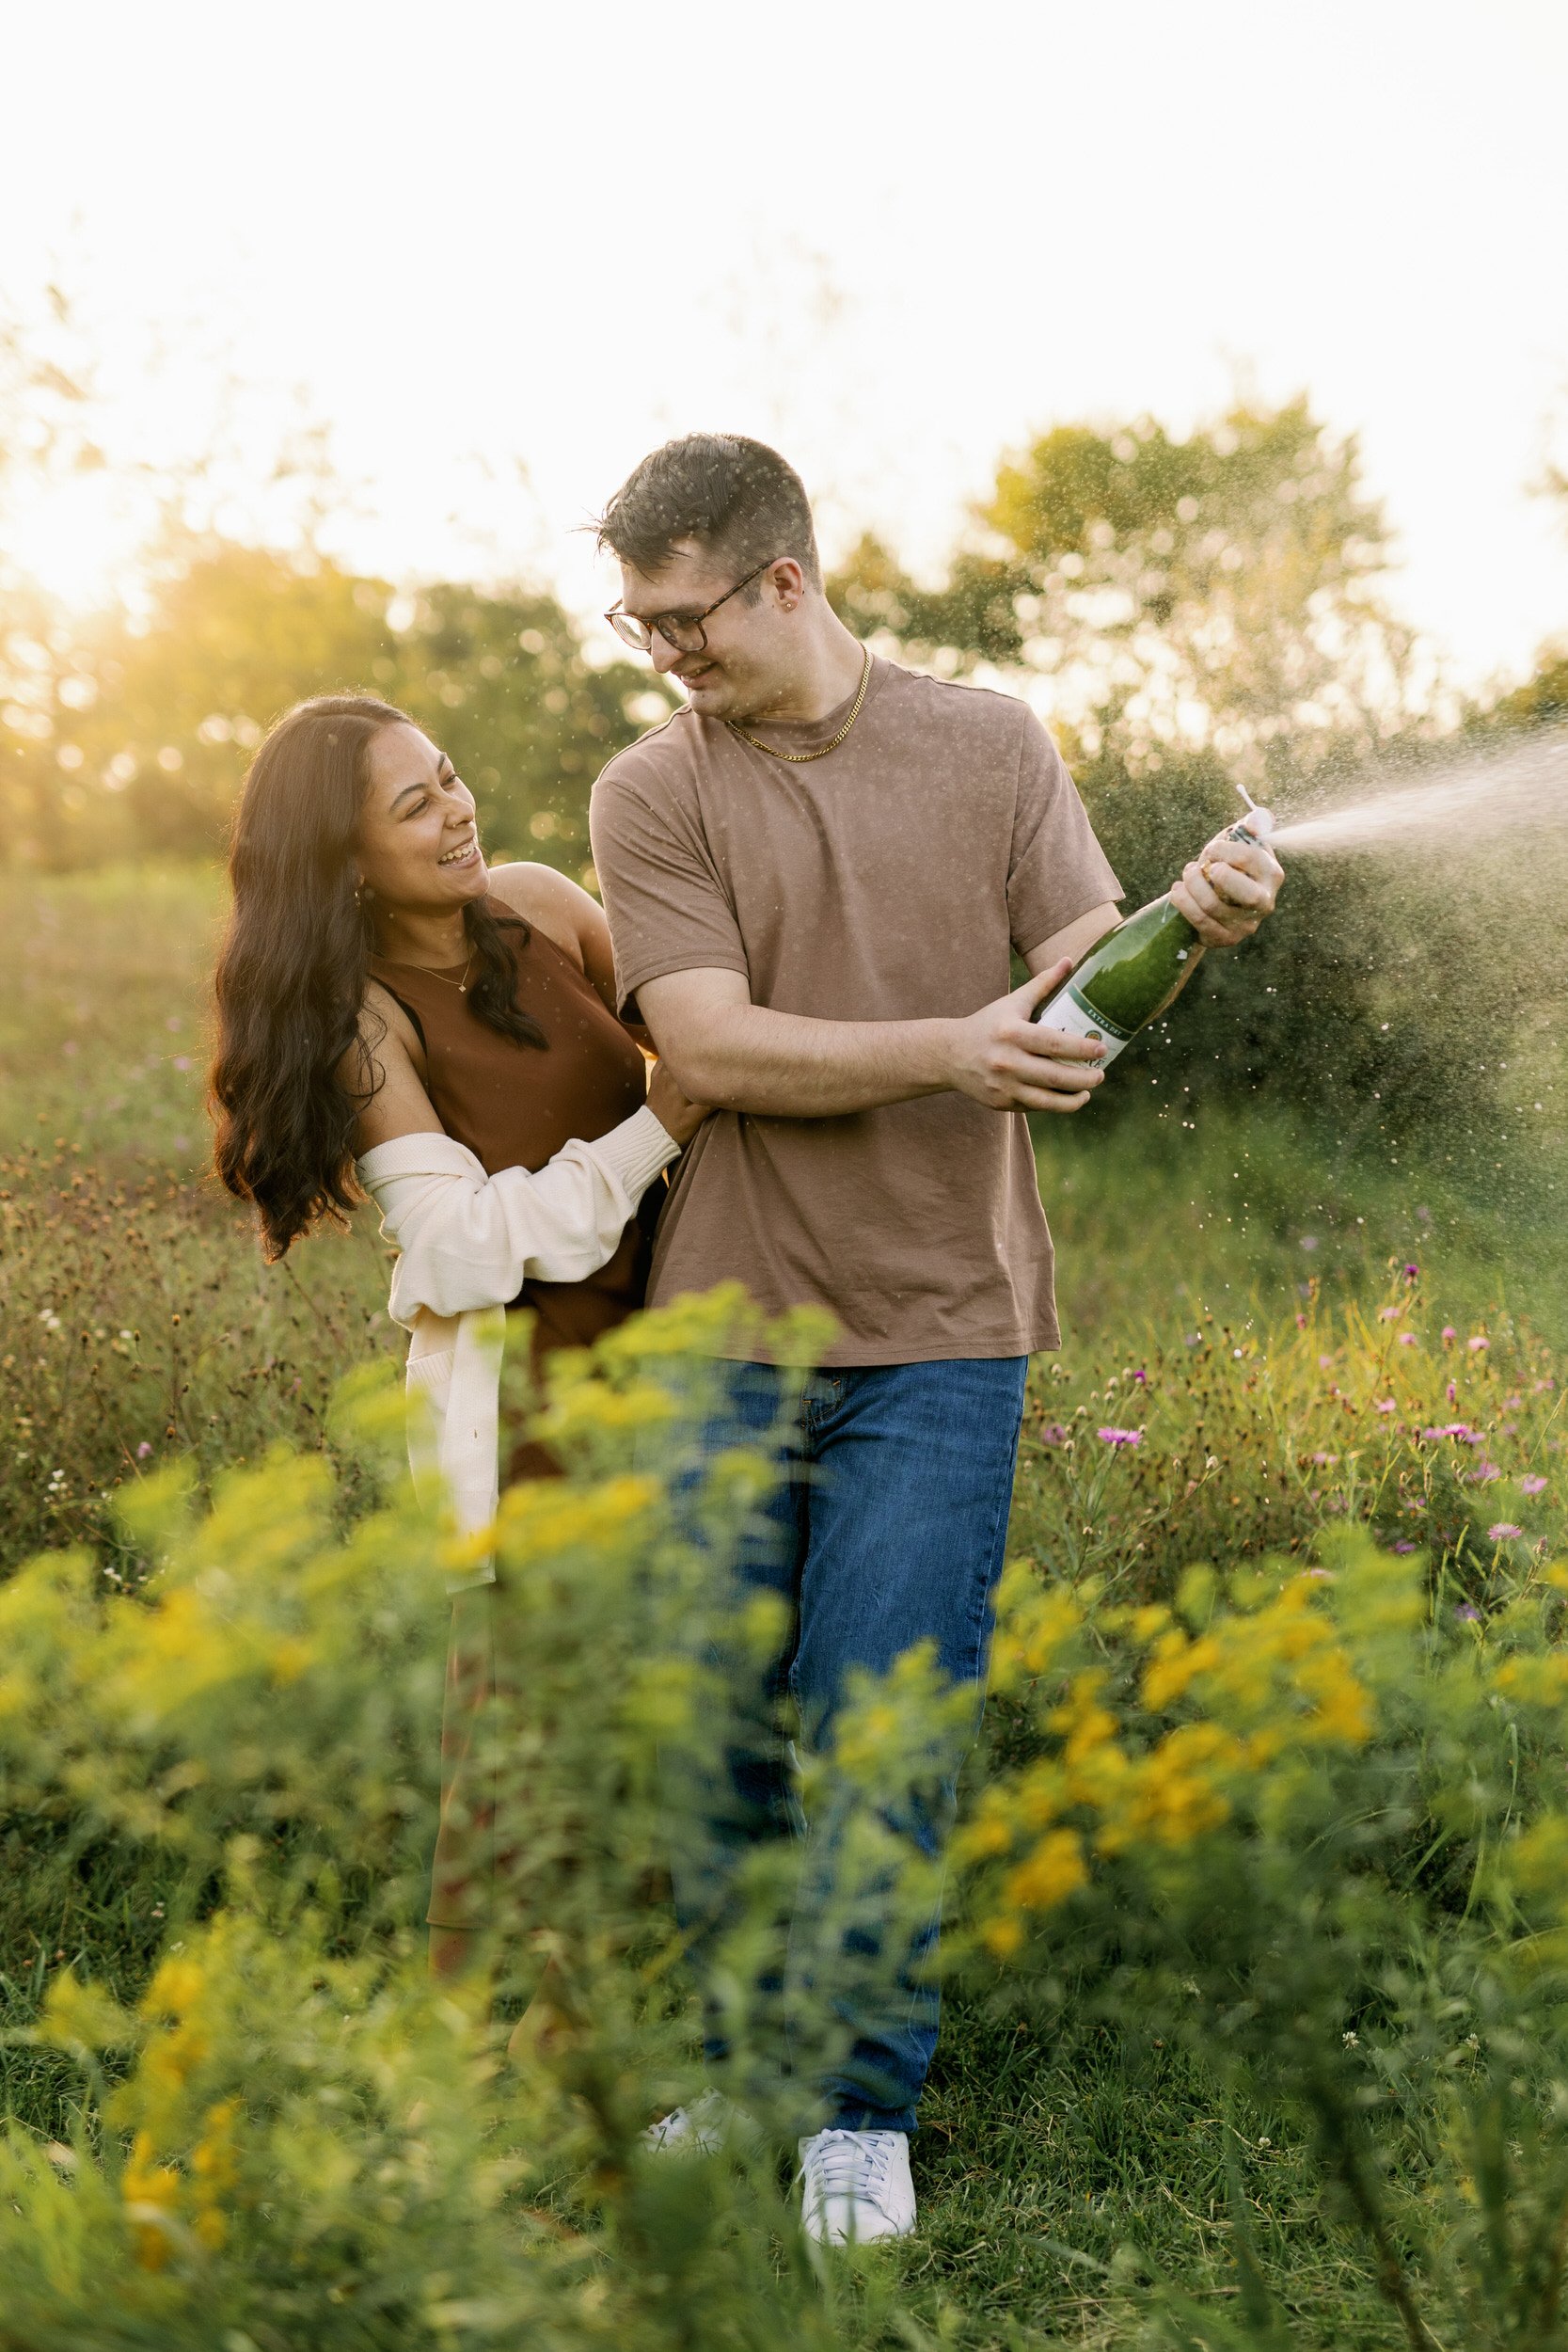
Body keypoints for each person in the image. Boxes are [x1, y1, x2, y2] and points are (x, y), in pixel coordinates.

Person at [588, 435, 1284, 2242]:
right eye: (638, 622)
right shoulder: (652, 790)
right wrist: (946, 1049)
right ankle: (744, 2065)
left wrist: (1185, 930)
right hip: (726, 1331)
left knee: (883, 1728)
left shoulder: (994, 748)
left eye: (685, 619)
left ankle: (858, 2113)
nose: (665, 655)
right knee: (713, 1739)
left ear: (785, 582)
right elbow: (711, 1050)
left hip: (945, 1332)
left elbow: (1080, 997)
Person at [210, 692, 705, 1980]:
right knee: (525, 1736)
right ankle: (483, 2055)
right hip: (528, 1398)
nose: (456, 811)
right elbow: (459, 1249)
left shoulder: (544, 904)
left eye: (451, 776)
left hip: (676, 1349)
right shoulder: (367, 1023)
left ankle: (670, 1994)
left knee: (686, 1690)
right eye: (412, 804)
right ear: (343, 860)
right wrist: (664, 1124)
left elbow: (688, 1043)